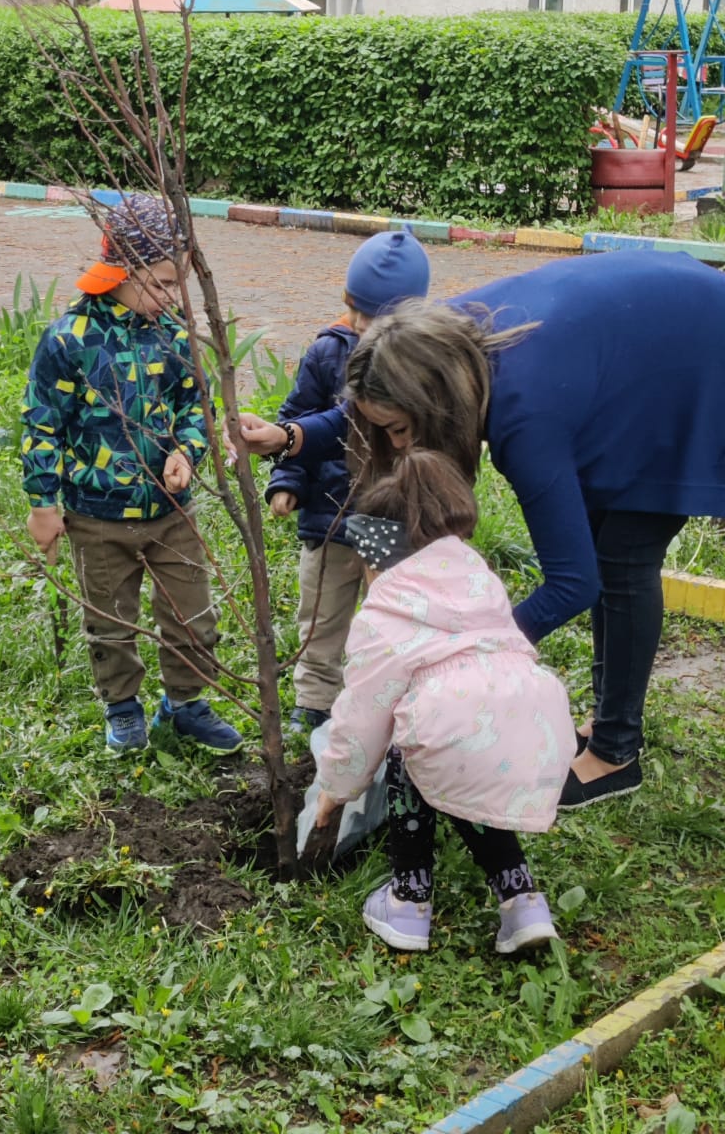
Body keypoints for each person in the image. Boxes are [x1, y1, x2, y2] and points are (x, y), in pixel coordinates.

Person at [228, 250, 725, 808]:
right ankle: (610, 717)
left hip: (695, 353)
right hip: (632, 338)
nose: (396, 443)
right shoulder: (430, 343)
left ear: (433, 407)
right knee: (605, 537)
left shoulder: (525, 418)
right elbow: (374, 409)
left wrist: (468, 663)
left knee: (623, 558)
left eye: (398, 430)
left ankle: (615, 749)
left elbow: (572, 584)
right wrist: (289, 437)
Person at [314, 449, 574, 954]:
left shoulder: (385, 613)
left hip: (457, 733)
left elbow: (363, 715)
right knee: (460, 768)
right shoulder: (478, 580)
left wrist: (334, 789)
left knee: (414, 753)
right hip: (537, 729)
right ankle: (522, 900)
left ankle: (409, 902)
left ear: (379, 561)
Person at [22, 192, 243, 756]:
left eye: (179, 286)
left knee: (193, 613)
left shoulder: (173, 337)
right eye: (161, 284)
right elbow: (42, 425)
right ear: (119, 270)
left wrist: (188, 452)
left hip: (172, 514)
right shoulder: (69, 340)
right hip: (97, 518)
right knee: (110, 621)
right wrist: (43, 503)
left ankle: (186, 702)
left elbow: (196, 408)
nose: (172, 298)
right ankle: (123, 708)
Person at [266, 230, 430, 733]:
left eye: (374, 318)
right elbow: (299, 417)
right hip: (329, 513)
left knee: (392, 613)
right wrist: (288, 476)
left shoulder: (423, 362)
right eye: (354, 309)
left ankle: (392, 699)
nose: (360, 325)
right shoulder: (327, 351)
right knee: (321, 613)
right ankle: (314, 700)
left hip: (392, 517)